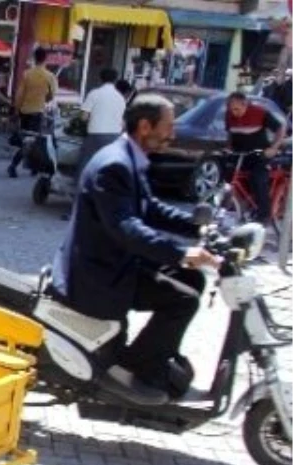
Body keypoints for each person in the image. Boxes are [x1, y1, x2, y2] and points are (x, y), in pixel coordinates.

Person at [50, 94, 219, 397]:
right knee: (183, 300)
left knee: (192, 278)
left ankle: (157, 353)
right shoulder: (114, 165)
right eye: (168, 126)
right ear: (145, 126)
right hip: (99, 276)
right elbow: (127, 229)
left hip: (113, 262)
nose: (173, 134)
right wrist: (181, 253)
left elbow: (150, 207)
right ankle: (137, 366)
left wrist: (196, 227)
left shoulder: (128, 157)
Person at [226, 91, 288, 224]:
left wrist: (274, 147)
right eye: (231, 109)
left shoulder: (259, 112)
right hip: (241, 153)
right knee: (228, 173)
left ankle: (264, 215)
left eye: (237, 109)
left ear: (245, 105)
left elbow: (280, 128)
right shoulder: (229, 114)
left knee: (257, 178)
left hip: (260, 154)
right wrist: (228, 148)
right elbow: (230, 133)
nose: (233, 112)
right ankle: (239, 205)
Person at [9, 47, 57, 178]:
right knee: (33, 141)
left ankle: (31, 167)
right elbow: (51, 96)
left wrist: (16, 110)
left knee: (27, 139)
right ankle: (15, 165)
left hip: (25, 111)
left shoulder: (27, 74)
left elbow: (19, 95)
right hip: (39, 111)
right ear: (45, 58)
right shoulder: (49, 77)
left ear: (35, 58)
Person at [77, 68, 127, 179]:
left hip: (96, 135)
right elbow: (122, 122)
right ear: (115, 80)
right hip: (114, 136)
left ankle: (81, 187)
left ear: (100, 79)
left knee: (86, 162)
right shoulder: (120, 98)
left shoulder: (94, 93)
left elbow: (83, 117)